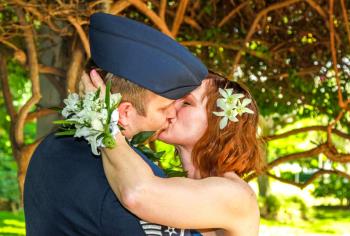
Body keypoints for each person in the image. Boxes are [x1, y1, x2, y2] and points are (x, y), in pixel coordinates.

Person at [23, 13, 207, 235]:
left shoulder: (52, 145)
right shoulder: (126, 177)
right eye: (163, 108)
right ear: (125, 112)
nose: (172, 114)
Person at [83, 70, 264, 236]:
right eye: (173, 98)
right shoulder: (163, 179)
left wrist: (103, 118)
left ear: (219, 125)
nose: (170, 107)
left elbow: (138, 194)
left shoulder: (237, 196)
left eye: (186, 102)